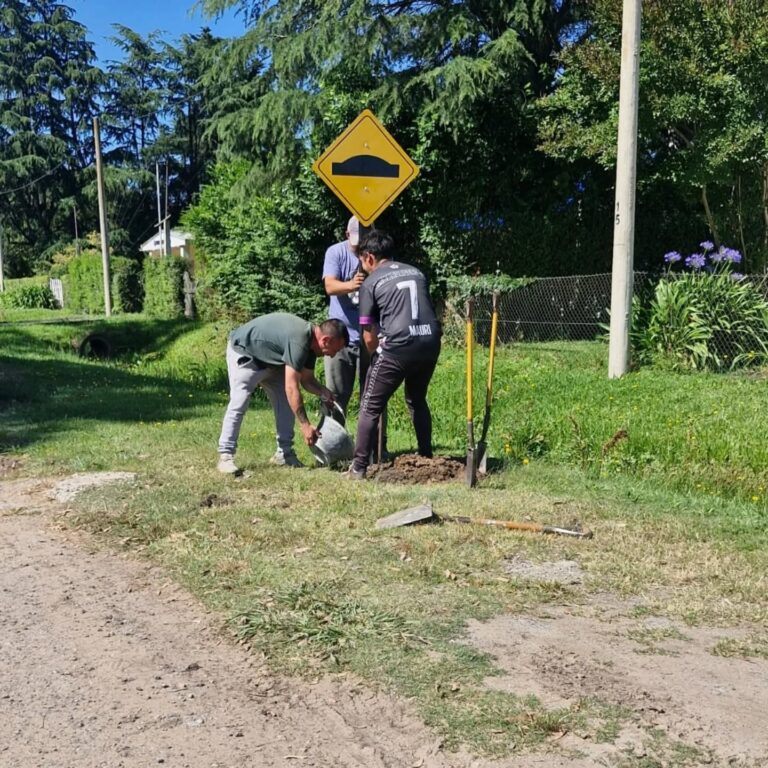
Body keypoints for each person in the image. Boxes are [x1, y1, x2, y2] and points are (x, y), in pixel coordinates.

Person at [346, 230, 442, 479]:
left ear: (368, 257)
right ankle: (427, 455)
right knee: (417, 400)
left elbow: (368, 333)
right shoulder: (417, 272)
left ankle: (358, 468)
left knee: (369, 405)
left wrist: (376, 356)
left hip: (398, 345)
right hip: (430, 342)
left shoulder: (371, 282)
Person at [217, 314, 348, 474]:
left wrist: (322, 391)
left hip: (271, 362)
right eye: (334, 350)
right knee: (240, 403)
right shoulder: (299, 340)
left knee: (287, 403)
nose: (332, 355)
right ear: (325, 340)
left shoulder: (312, 347)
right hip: (246, 353)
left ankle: (284, 455)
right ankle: (225, 456)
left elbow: (306, 381)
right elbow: (292, 387)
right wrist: (305, 425)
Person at [322, 216, 388, 457]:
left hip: (369, 336)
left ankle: (374, 451)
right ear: (346, 234)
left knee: (372, 395)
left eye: (363, 244)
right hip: (340, 339)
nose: (359, 249)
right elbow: (329, 286)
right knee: (336, 395)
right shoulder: (335, 253)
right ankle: (332, 448)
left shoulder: (375, 256)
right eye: (355, 243)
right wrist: (352, 284)